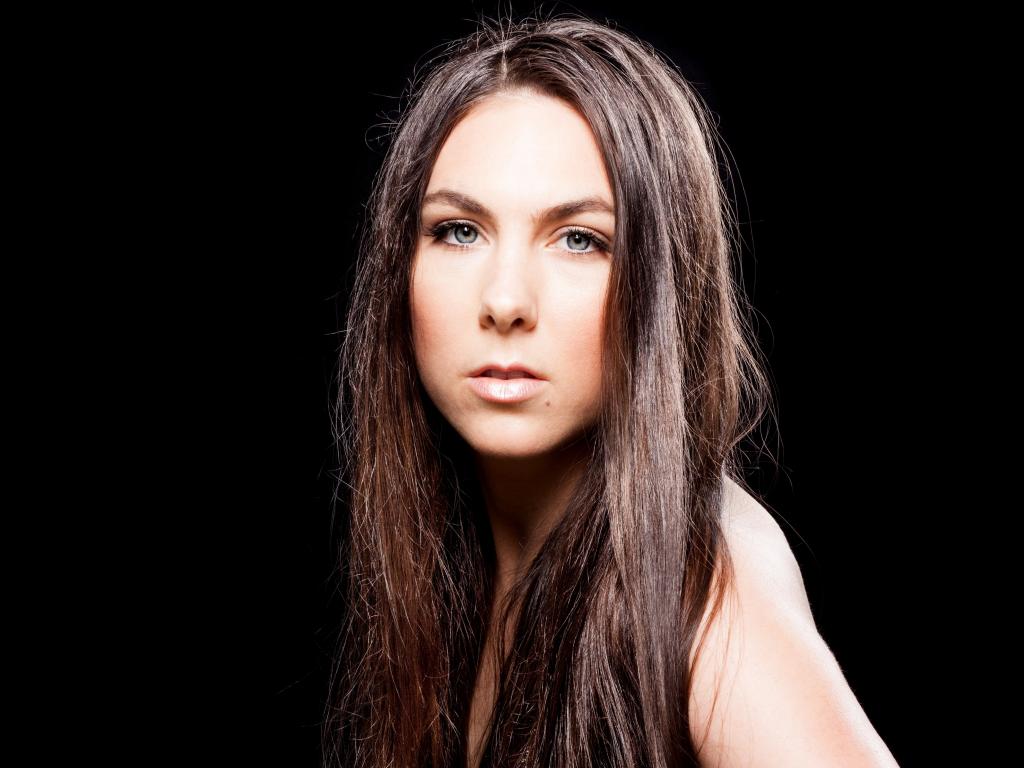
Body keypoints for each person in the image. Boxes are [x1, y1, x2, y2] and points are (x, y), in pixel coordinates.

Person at [324, 12, 899, 768]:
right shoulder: (451, 554)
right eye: (459, 230)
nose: (505, 301)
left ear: (660, 283)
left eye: (580, 240)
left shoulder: (702, 582)